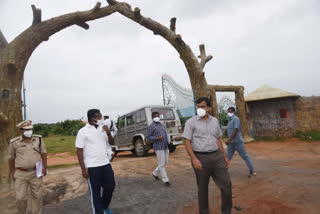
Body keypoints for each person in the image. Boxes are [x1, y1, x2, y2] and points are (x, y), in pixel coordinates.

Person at [183, 97, 232, 214]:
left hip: (216, 156)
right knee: (203, 189)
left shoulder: (215, 121)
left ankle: (226, 211)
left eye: (203, 106)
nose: (200, 109)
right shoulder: (191, 122)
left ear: (209, 108)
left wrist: (224, 156)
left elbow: (218, 139)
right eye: (198, 106)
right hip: (200, 158)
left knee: (227, 185)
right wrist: (194, 159)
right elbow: (187, 141)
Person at [76, 109, 115, 214]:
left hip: (105, 164)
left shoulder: (103, 129)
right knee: (95, 194)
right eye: (99, 116)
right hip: (92, 167)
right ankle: (99, 211)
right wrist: (83, 169)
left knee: (110, 187)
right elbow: (79, 151)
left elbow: (112, 142)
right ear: (92, 119)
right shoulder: (83, 132)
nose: (101, 118)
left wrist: (108, 132)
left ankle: (104, 206)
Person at [8, 120, 47, 214]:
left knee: (37, 197)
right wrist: (13, 173)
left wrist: (44, 167)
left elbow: (44, 154)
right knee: (20, 198)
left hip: (35, 172)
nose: (29, 131)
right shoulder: (14, 143)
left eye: (30, 129)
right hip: (21, 174)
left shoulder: (39, 140)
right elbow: (11, 159)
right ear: (21, 130)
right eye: (26, 129)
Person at [225, 107, 256, 177]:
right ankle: (224, 171)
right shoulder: (229, 121)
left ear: (233, 112)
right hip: (231, 143)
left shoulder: (236, 119)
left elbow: (236, 130)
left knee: (245, 156)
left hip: (237, 141)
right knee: (227, 156)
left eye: (230, 112)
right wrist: (229, 140)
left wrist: (229, 140)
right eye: (228, 112)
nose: (229, 113)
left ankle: (252, 170)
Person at [147, 111, 171, 186]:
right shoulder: (151, 126)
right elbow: (148, 137)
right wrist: (157, 138)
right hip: (158, 147)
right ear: (152, 117)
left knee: (165, 162)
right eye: (155, 116)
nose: (157, 117)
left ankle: (155, 173)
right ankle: (165, 180)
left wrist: (168, 139)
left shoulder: (162, 124)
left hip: (165, 145)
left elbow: (165, 133)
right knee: (161, 163)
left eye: (158, 116)